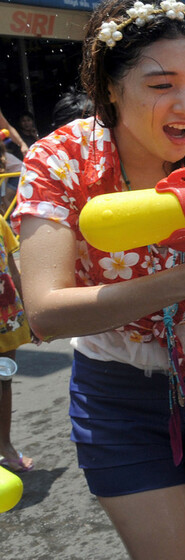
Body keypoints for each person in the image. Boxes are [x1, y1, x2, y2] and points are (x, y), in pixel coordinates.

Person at [13, 0, 185, 558]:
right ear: (111, 88)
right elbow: (45, 311)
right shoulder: (61, 161)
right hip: (116, 393)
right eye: (161, 85)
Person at [0, 140, 33, 474]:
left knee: (4, 380)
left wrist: (31, 313)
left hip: (6, 320)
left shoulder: (0, 222)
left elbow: (13, 269)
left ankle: (5, 444)